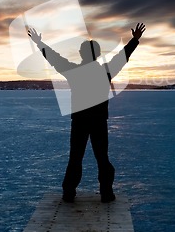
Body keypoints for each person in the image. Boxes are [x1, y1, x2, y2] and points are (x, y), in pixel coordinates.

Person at [27, 23, 146, 203]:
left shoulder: (75, 71)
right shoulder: (105, 71)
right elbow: (123, 56)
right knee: (100, 158)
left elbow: (54, 58)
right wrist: (134, 40)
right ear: (97, 54)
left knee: (77, 157)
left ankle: (70, 193)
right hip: (97, 122)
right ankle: (105, 193)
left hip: (81, 122)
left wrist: (39, 43)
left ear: (82, 54)